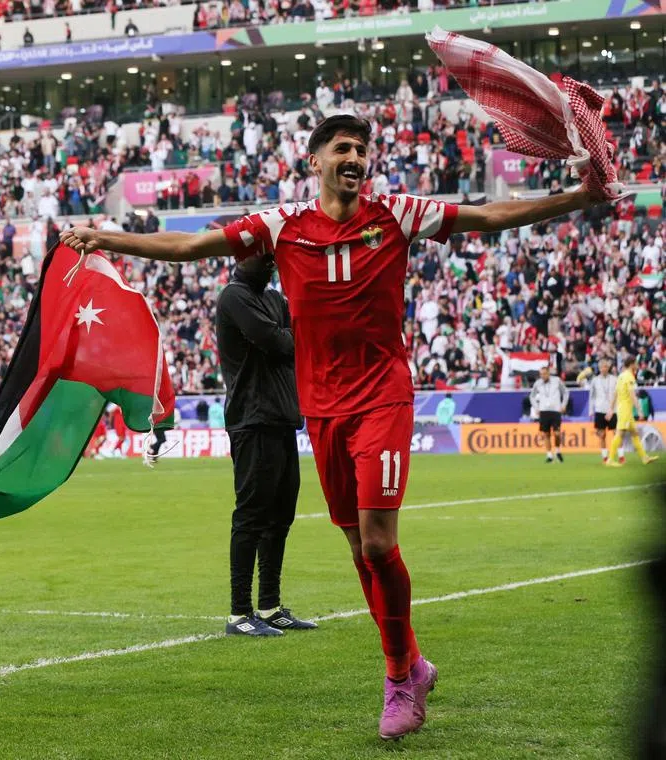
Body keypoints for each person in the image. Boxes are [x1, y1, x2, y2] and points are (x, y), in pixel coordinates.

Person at [60, 112, 611, 740]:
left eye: (362, 150)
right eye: (342, 148)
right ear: (315, 160)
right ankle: (413, 664)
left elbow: (487, 218)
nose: (355, 157)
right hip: (321, 409)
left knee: (378, 542)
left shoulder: (398, 214)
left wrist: (578, 198)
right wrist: (108, 238)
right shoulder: (282, 225)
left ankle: (399, 676)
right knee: (357, 550)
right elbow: (190, 247)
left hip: (382, 398)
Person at [216, 252, 316, 637]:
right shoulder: (234, 296)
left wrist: (288, 336)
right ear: (242, 257)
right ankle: (239, 612)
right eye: (264, 255)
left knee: (280, 514)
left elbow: (295, 336)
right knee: (252, 514)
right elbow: (281, 343)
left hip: (280, 418)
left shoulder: (273, 299)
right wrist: (288, 336)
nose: (272, 261)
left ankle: (270, 605)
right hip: (251, 418)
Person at [606, 356, 660, 467]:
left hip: (623, 409)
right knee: (619, 433)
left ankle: (644, 458)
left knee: (635, 433)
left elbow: (615, 393)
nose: (637, 365)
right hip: (625, 410)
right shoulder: (629, 376)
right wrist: (640, 410)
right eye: (636, 363)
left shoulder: (621, 376)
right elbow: (632, 395)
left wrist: (611, 409)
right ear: (631, 364)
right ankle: (610, 459)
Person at [529, 365, 568, 463]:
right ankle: (549, 455)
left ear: (548, 373)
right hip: (544, 411)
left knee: (557, 433)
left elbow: (566, 392)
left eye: (545, 374)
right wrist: (536, 408)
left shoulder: (556, 381)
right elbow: (532, 396)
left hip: (555, 410)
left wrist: (563, 405)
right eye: (541, 374)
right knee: (546, 434)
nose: (543, 376)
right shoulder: (538, 383)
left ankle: (558, 451)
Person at [589, 359, 618, 462]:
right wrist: (590, 410)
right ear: (599, 368)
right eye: (602, 367)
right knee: (602, 434)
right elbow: (592, 396)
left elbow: (617, 394)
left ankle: (621, 455)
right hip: (600, 409)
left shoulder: (615, 379)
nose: (604, 369)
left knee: (616, 433)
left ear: (608, 367)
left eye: (605, 367)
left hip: (613, 410)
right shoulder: (595, 380)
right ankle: (605, 457)